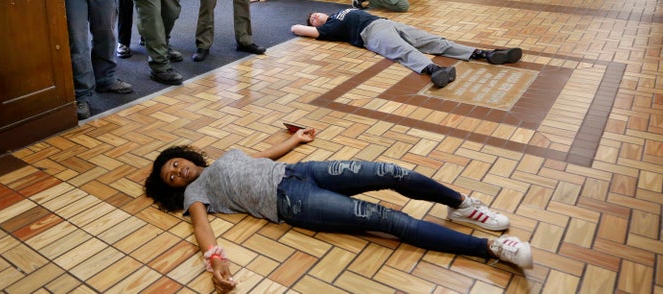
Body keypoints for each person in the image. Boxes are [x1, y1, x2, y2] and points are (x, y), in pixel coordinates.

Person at [144, 127, 533, 293]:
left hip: (300, 171)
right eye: (171, 177)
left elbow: (262, 155)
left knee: (389, 171)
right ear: (174, 189)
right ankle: (490, 250)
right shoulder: (198, 194)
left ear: (183, 155)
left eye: (174, 164)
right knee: (388, 220)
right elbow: (203, 232)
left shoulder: (221, 160)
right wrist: (216, 262)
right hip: (292, 203)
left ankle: (461, 205)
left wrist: (294, 139)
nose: (177, 171)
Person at [291, 9, 523, 88]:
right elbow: (295, 28)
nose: (316, 16)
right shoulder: (328, 28)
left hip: (385, 22)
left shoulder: (337, 13)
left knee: (435, 41)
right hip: (371, 33)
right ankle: (434, 71)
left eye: (315, 13)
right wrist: (305, 25)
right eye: (312, 19)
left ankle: (484, 54)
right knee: (403, 51)